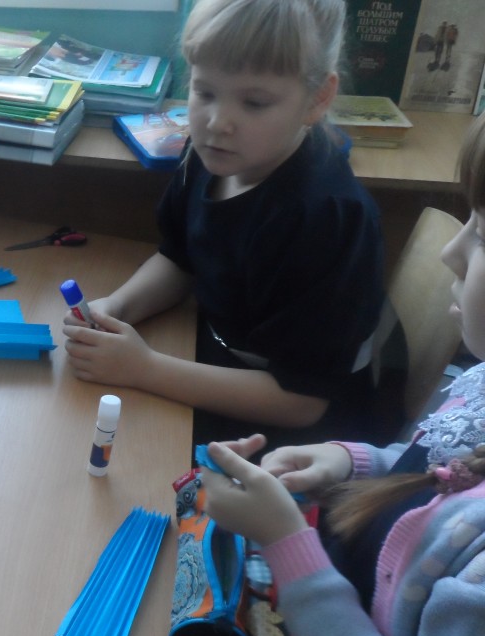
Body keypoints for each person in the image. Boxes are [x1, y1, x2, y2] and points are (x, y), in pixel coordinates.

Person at [194, 111, 485, 636]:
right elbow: (441, 468)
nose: (452, 251)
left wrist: (285, 544)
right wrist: (347, 462)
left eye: (484, 234)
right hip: (334, 621)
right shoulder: (481, 382)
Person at [62, 0, 387, 453]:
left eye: (254, 103)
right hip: (219, 367)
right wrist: (116, 309)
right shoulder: (209, 156)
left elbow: (302, 402)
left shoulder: (327, 220)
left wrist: (143, 368)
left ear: (317, 99)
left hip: (298, 444)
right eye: (205, 92)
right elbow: (180, 259)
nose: (217, 123)